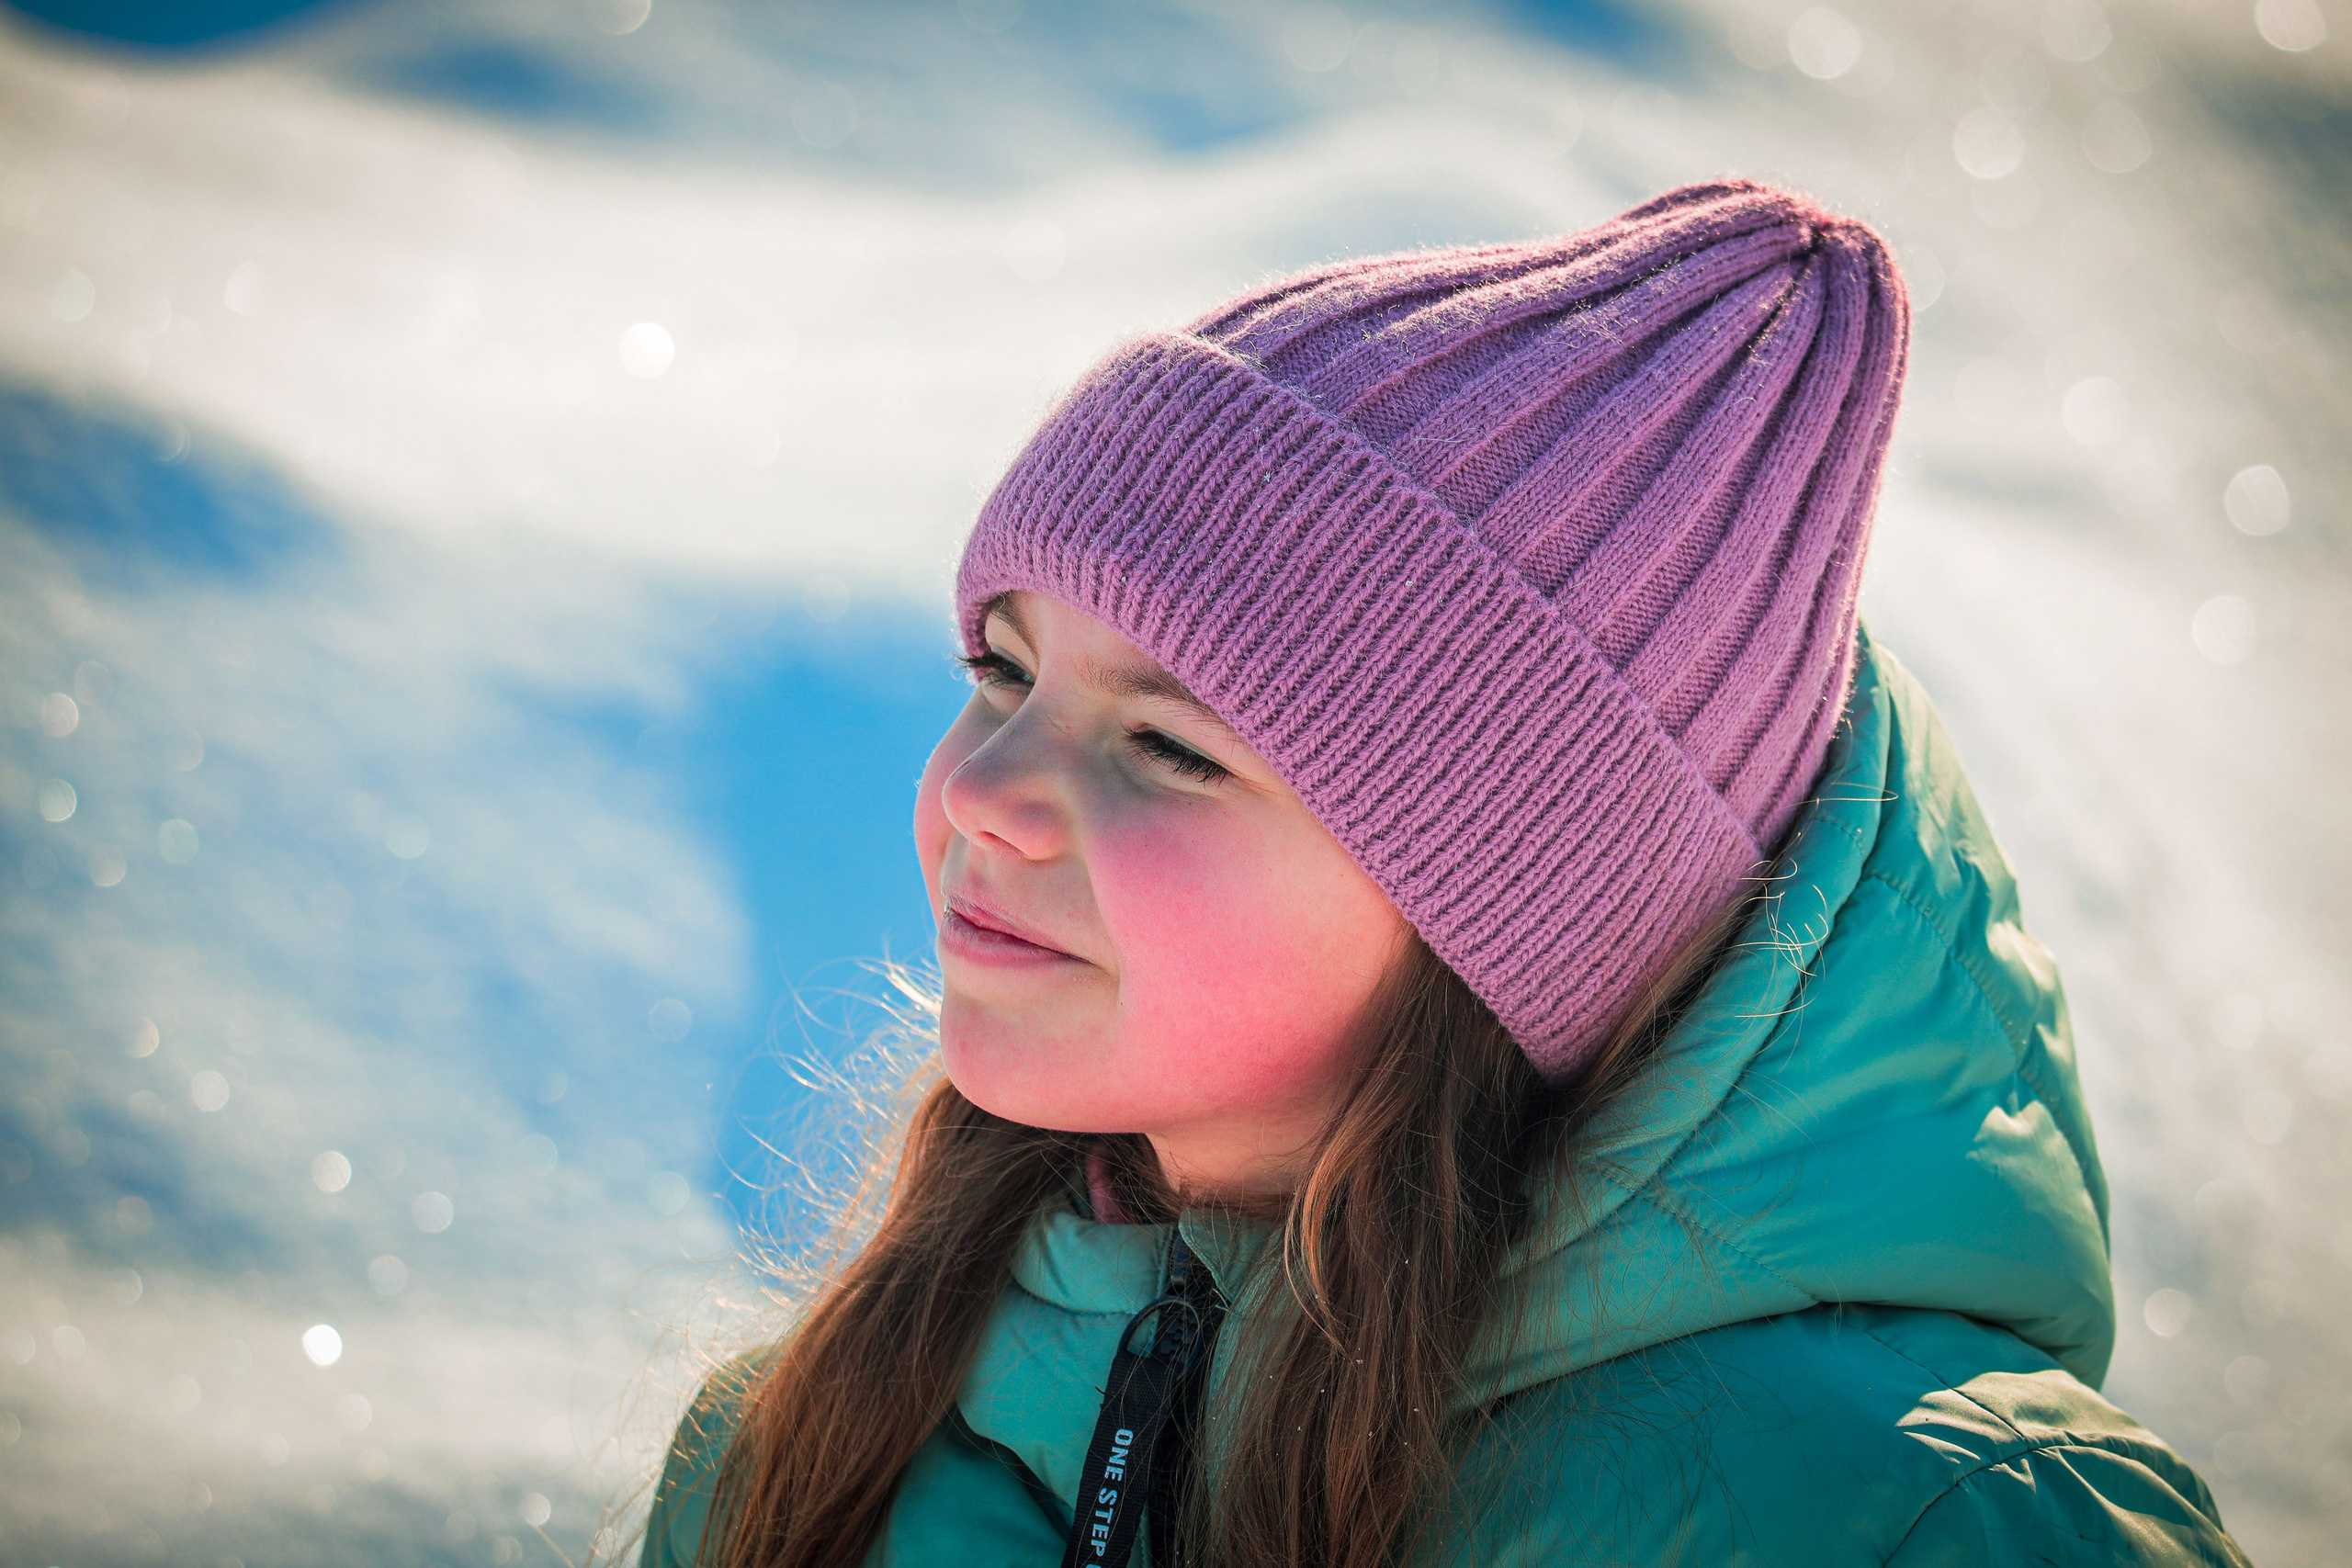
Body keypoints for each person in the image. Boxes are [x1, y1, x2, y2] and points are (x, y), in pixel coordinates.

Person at [639, 181, 2250, 1567]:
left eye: (1175, 747)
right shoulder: (815, 1451)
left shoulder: (1918, 1525)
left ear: (1512, 920)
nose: (981, 793)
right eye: (1004, 671)